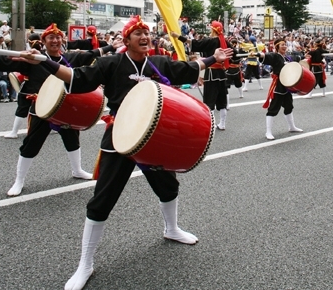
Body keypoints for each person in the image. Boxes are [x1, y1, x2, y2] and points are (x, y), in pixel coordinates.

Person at [23, 15, 231, 290]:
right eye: (138, 34)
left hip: (153, 136)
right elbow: (77, 78)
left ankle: (171, 229)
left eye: (147, 33)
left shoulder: (158, 63)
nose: (145, 38)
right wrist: (45, 62)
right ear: (126, 40)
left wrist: (213, 58)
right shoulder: (111, 63)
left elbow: (188, 68)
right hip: (120, 137)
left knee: (168, 187)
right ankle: (85, 263)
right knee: (102, 199)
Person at [0, 24, 105, 196]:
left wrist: (119, 46)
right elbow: (5, 59)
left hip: (66, 109)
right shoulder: (34, 59)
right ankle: (19, 180)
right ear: (44, 41)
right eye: (50, 38)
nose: (55, 41)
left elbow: (94, 53)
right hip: (42, 109)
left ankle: (77, 170)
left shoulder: (69, 58)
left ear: (62, 40)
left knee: (73, 141)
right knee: (31, 145)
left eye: (58, 37)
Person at [173, 21, 232, 131]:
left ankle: (212, 124)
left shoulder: (210, 41)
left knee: (209, 99)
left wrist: (178, 36)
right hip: (222, 73)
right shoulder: (225, 42)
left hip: (211, 73)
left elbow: (193, 43)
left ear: (213, 30)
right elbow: (234, 54)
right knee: (221, 100)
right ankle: (222, 124)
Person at [256, 38, 303, 140]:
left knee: (289, 106)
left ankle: (292, 127)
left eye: (285, 44)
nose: (284, 46)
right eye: (282, 45)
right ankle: (268, 132)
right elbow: (266, 56)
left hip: (287, 85)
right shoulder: (275, 56)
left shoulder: (286, 58)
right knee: (273, 108)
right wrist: (259, 54)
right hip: (278, 86)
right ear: (277, 46)